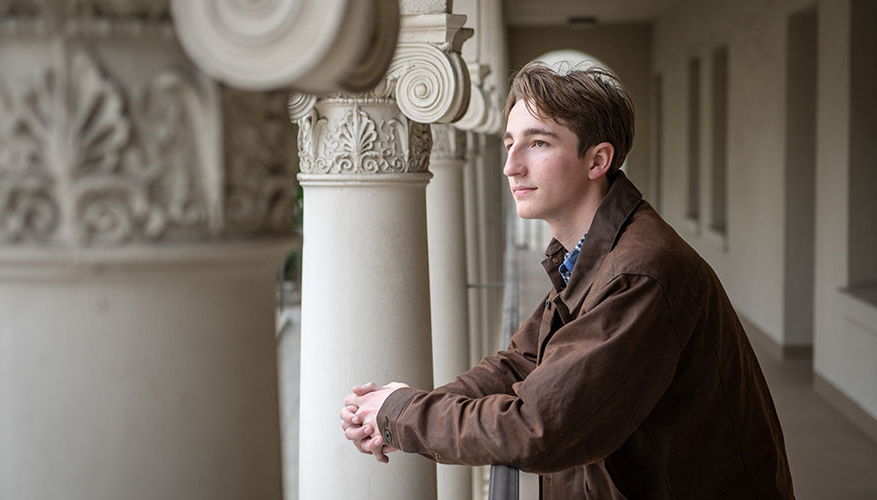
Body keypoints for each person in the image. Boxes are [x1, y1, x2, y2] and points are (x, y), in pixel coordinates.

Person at [340, 61, 795, 499]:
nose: (511, 166)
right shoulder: (589, 254)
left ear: (597, 160)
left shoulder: (640, 272)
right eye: (509, 143)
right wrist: (397, 411)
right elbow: (519, 363)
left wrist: (404, 416)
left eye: (537, 144)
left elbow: (538, 429)